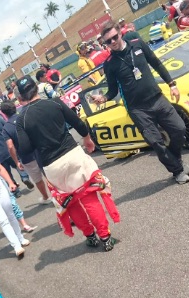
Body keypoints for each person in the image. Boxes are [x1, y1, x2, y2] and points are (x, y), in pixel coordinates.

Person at [15, 75, 120, 251]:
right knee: (88, 196)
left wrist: (38, 140)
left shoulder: (22, 119)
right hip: (73, 153)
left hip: (52, 165)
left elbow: (24, 149)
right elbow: (77, 123)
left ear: (20, 98)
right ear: (37, 88)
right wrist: (87, 139)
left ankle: (90, 236)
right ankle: (105, 237)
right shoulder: (54, 102)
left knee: (70, 202)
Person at [91, 21, 189, 184]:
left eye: (114, 37)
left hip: (157, 98)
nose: (113, 42)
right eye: (108, 41)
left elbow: (156, 63)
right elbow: (113, 90)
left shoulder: (137, 44)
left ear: (120, 33)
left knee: (180, 129)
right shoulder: (110, 64)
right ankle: (177, 171)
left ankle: (176, 159)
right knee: (156, 142)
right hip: (138, 109)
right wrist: (104, 98)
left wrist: (171, 84)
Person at [0, 100, 52, 205]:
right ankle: (57, 194)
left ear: (4, 114)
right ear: (15, 107)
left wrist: (16, 161)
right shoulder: (24, 115)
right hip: (40, 150)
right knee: (48, 174)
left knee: (37, 179)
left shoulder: (6, 128)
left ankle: (46, 197)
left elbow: (10, 146)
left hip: (26, 156)